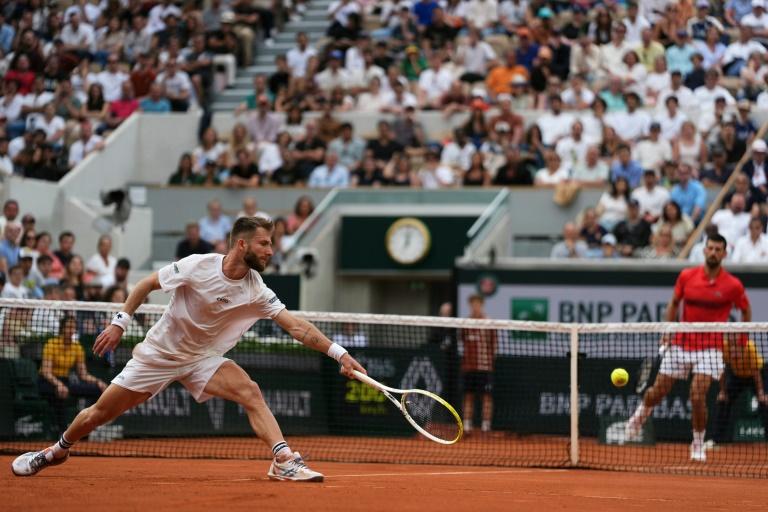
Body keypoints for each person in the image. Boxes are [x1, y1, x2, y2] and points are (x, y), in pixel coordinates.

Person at [12, 216, 367, 481]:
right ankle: (55, 450)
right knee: (99, 414)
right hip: (159, 355)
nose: (271, 251)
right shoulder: (198, 266)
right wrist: (120, 322)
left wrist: (339, 353)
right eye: (264, 244)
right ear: (242, 245)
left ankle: (283, 460)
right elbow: (146, 284)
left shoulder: (256, 287)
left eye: (271, 244)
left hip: (202, 358)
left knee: (251, 392)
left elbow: (297, 327)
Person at [626, 234, 751, 462]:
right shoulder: (686, 276)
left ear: (724, 254)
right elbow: (674, 303)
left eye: (718, 249)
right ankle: (638, 417)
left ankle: (697, 443)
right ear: (704, 251)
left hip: (711, 348)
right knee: (656, 393)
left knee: (697, 395)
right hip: (681, 344)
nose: (713, 253)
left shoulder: (733, 285)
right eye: (710, 248)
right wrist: (668, 330)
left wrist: (741, 342)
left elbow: (745, 309)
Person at [38, 315, 108, 433]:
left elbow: (83, 374)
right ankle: (63, 431)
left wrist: (98, 382)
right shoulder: (51, 344)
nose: (71, 330)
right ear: (62, 329)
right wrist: (58, 385)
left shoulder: (77, 347)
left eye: (73, 327)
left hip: (66, 382)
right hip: (47, 382)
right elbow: (46, 371)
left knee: (98, 390)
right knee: (60, 394)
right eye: (68, 327)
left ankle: (85, 424)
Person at [711, 333, 768, 445]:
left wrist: (761, 393)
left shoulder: (749, 347)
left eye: (737, 345)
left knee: (765, 403)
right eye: (731, 341)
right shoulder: (724, 347)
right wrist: (723, 392)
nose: (734, 349)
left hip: (755, 376)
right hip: (736, 376)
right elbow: (722, 370)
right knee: (723, 402)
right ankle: (716, 440)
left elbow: (756, 373)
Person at [461, 294, 497, 434]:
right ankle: (467, 426)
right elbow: (463, 341)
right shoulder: (465, 323)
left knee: (486, 396)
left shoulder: (488, 322)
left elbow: (494, 345)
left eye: (477, 303)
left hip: (485, 367)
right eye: (472, 304)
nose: (475, 306)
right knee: (468, 396)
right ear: (470, 305)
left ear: (481, 304)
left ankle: (486, 426)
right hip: (468, 367)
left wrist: (489, 362)